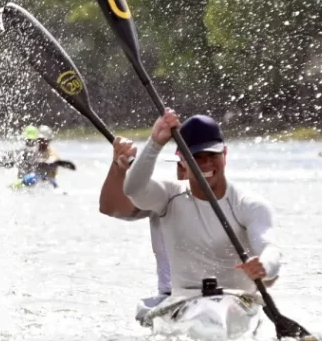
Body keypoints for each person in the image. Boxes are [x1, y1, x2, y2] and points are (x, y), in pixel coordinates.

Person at [122, 111, 281, 298]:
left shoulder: (250, 204)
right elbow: (133, 189)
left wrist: (264, 266)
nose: (206, 163)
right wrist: (155, 143)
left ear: (225, 154)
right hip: (184, 301)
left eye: (212, 154)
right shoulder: (169, 196)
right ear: (182, 160)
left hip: (238, 302)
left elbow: (269, 247)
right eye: (196, 156)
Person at [98, 136, 171, 322]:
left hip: (223, 295)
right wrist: (119, 167)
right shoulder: (163, 197)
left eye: (207, 158)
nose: (200, 167)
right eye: (184, 164)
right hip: (173, 297)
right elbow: (110, 207)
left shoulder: (236, 201)